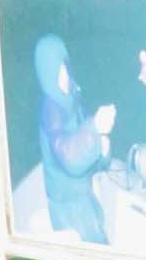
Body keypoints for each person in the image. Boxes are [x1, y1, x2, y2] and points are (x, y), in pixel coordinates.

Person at [34, 34, 114, 245]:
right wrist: (95, 127)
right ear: (46, 73)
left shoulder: (71, 99)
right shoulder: (50, 110)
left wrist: (103, 150)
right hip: (67, 206)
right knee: (97, 254)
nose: (64, 76)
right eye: (57, 71)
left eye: (64, 68)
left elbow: (92, 161)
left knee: (103, 237)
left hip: (83, 195)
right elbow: (69, 157)